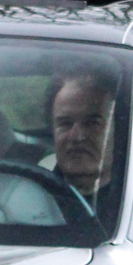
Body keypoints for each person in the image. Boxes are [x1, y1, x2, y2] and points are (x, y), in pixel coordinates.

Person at [47, 70, 118, 198]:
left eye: (92, 123)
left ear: (118, 131)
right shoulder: (33, 198)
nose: (76, 136)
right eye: (65, 124)